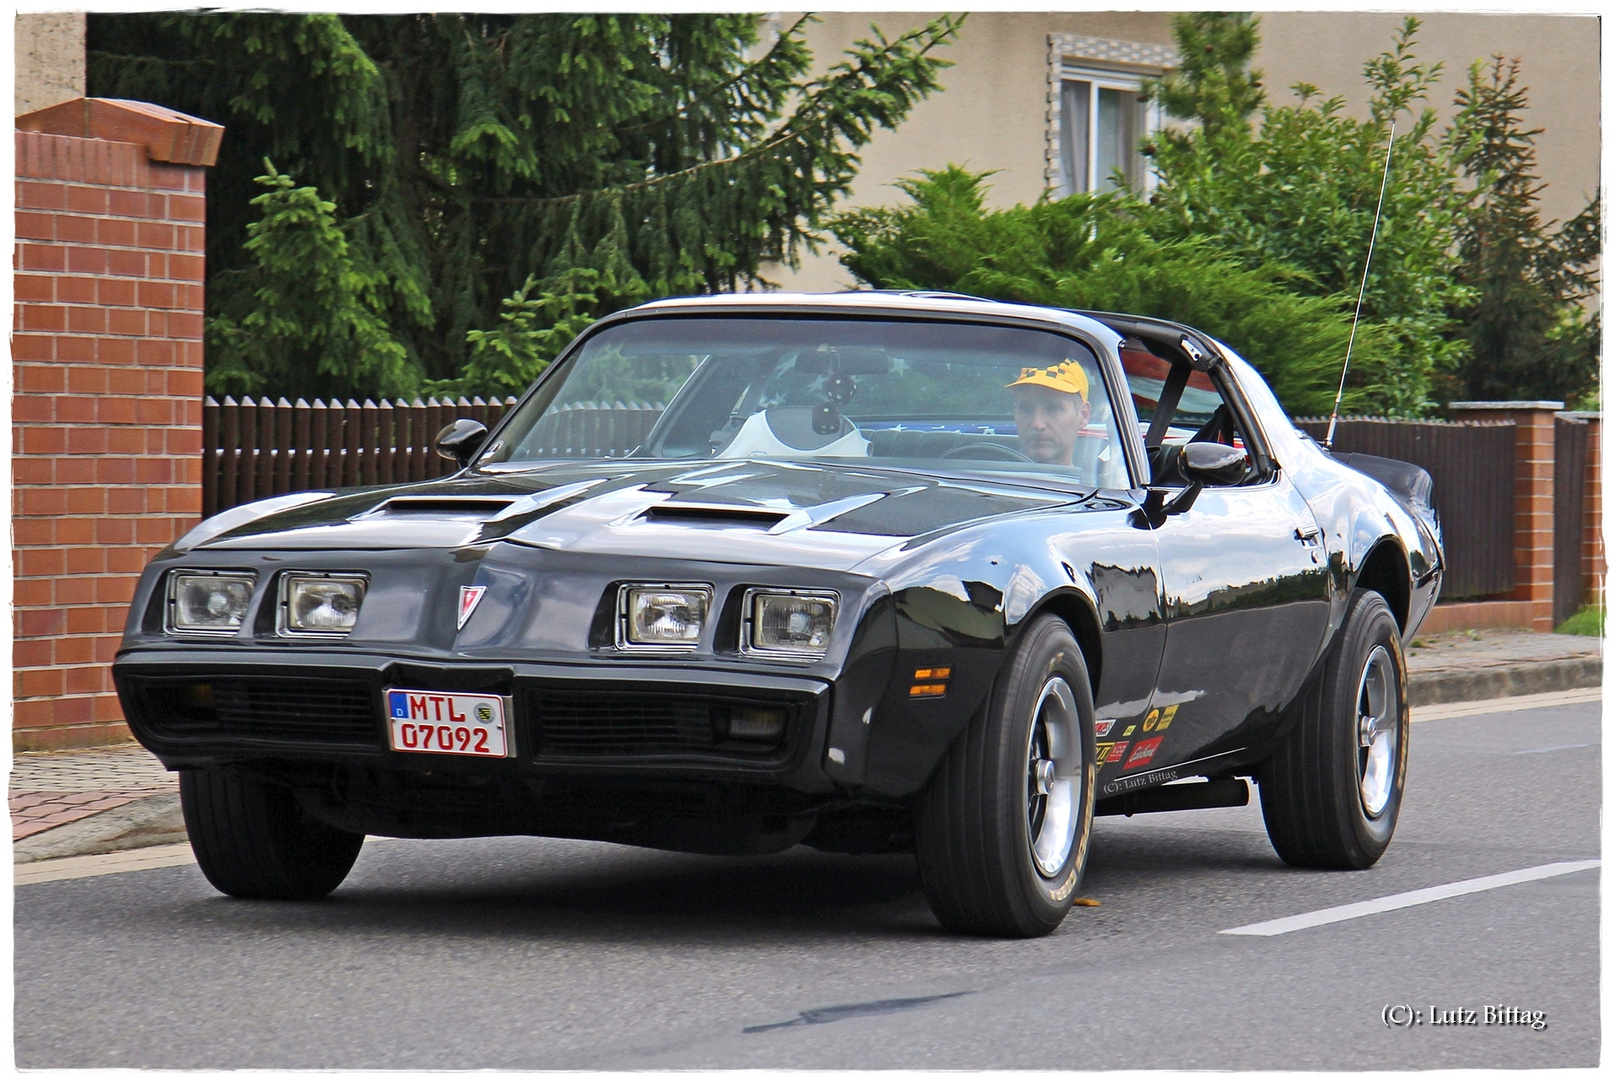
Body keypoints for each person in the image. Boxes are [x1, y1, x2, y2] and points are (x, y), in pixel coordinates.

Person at [1007, 359, 1091, 467]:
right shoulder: (990, 477)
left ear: (1084, 415)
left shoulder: (1106, 482)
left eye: (1053, 408)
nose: (1037, 424)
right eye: (1025, 408)